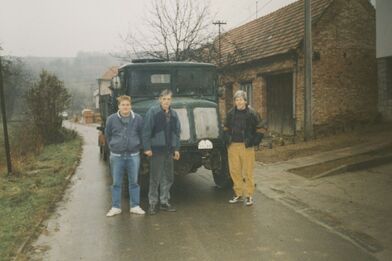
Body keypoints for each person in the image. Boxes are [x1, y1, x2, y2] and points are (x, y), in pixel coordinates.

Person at [224, 90, 266, 206]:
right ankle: (238, 194)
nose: (239, 102)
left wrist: (255, 140)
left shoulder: (252, 113)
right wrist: (227, 138)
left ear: (245, 101)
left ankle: (249, 196)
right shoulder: (231, 113)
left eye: (241, 99)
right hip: (233, 146)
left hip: (246, 147)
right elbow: (225, 127)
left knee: (248, 172)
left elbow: (261, 128)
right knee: (234, 171)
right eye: (236, 100)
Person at [105, 95, 145, 216]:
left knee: (134, 182)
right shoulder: (111, 119)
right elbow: (108, 135)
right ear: (119, 106)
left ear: (130, 105)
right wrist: (113, 146)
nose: (125, 107)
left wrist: (137, 146)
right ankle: (116, 207)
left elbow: (142, 134)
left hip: (133, 155)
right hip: (117, 156)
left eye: (127, 105)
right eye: (123, 105)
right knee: (116, 182)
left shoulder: (138, 118)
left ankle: (135, 206)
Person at [142, 89, 181, 215]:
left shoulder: (174, 114)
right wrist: (147, 148)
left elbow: (177, 133)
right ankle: (152, 203)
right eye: (164, 99)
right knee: (155, 178)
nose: (166, 101)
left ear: (171, 100)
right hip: (156, 151)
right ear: (160, 99)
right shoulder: (153, 112)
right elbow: (146, 131)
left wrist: (176, 149)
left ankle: (164, 202)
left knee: (168, 177)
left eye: (168, 99)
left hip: (169, 151)